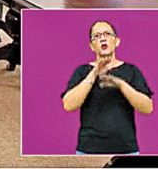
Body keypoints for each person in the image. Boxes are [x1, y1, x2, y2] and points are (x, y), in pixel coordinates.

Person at [62, 21, 153, 155]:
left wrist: (120, 84)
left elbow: (147, 107)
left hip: (126, 149)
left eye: (107, 34)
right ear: (91, 46)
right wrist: (94, 73)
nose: (102, 38)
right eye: (97, 36)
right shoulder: (82, 71)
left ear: (117, 41)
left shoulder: (131, 71)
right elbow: (68, 105)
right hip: (88, 150)